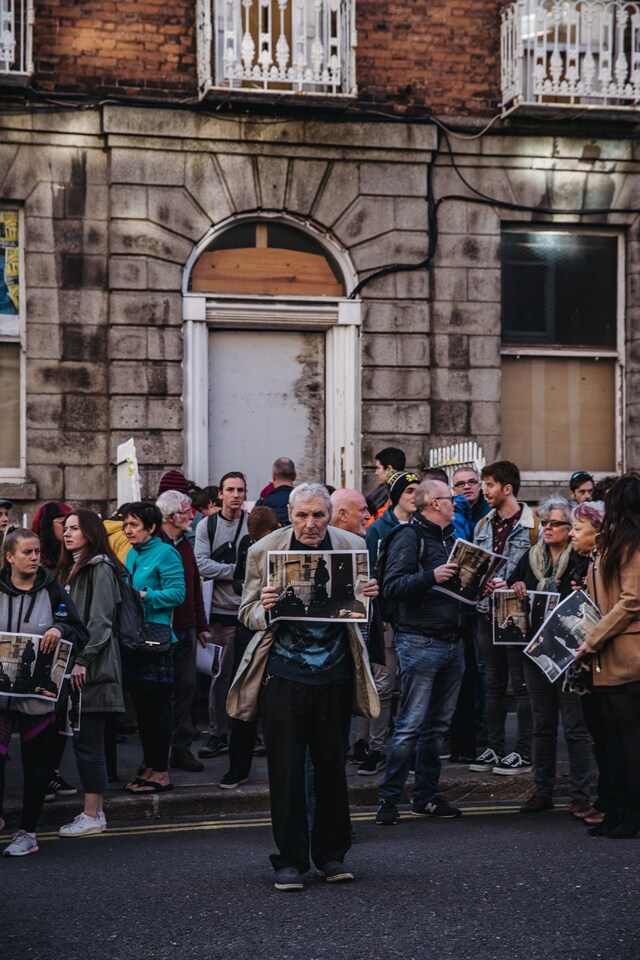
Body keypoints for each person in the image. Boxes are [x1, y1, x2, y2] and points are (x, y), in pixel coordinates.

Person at [232, 482, 379, 891]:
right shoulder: (264, 550)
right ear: (290, 516)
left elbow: (359, 610)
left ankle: (332, 855)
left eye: (318, 515)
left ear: (330, 515)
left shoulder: (353, 545)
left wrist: (370, 595)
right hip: (284, 677)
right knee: (286, 772)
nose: (310, 523)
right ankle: (291, 861)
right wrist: (264, 608)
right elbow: (245, 612)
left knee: (332, 769)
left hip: (334, 677)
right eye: (302, 515)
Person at [375, 478, 466, 826]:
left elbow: (455, 592)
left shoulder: (451, 539)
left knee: (437, 727)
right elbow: (392, 586)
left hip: (453, 643)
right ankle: (388, 799)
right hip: (419, 642)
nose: (455, 502)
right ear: (435, 503)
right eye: (450, 497)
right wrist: (431, 577)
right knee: (410, 725)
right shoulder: (409, 537)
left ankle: (425, 797)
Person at [0, 529, 87, 856]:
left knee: (36, 765)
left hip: (38, 696)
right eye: (27, 552)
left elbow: (79, 630)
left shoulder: (52, 590)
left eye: (37, 551)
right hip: (1, 696)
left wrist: (59, 627)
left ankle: (28, 833)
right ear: (10, 557)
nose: (35, 557)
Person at [509, 496, 593, 815]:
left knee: (574, 726)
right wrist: (515, 586)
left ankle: (580, 795)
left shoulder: (581, 559)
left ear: (570, 528)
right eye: (544, 522)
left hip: (569, 653)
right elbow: (513, 585)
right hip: (535, 651)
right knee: (542, 724)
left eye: (555, 523)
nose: (547, 528)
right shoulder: (531, 557)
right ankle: (542, 791)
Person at [574, 474, 640, 838]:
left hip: (627, 653)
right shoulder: (612, 542)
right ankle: (616, 811)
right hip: (607, 654)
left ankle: (633, 815)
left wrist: (593, 637)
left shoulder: (630, 542)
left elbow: (632, 599)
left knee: (630, 741)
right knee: (612, 740)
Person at [56, 509, 125, 837]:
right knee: (83, 739)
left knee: (88, 742)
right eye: (66, 528)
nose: (67, 534)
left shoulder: (99, 568)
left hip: (92, 669)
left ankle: (92, 814)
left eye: (75, 528)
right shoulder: (75, 567)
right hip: (76, 667)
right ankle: (95, 812)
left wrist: (82, 660)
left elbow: (100, 622)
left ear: (91, 532)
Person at [469, 460, 536, 775]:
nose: (485, 490)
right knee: (493, 684)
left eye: (490, 485)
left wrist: (515, 583)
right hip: (486, 614)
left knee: (521, 686)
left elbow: (539, 570)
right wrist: (478, 583)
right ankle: (494, 748)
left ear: (507, 488)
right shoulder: (483, 524)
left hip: (517, 616)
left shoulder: (533, 525)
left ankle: (524, 752)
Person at [121, 502, 186, 794]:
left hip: (156, 641)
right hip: (136, 639)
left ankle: (160, 773)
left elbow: (178, 593)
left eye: (134, 525)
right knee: (144, 711)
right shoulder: (132, 553)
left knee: (157, 710)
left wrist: (144, 596)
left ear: (151, 527)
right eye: (126, 524)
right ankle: (150, 766)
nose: (128, 530)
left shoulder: (166, 553)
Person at [218, 505, 280, 790]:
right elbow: (238, 582)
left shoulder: (283, 545)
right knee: (244, 699)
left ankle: (247, 768)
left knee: (268, 704)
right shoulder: (250, 546)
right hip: (252, 628)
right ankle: (238, 767)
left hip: (270, 630)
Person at [195, 471, 249, 759]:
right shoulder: (208, 525)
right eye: (230, 489)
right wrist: (235, 572)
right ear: (221, 494)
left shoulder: (252, 523)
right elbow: (201, 564)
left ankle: (249, 733)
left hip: (249, 613)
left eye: (240, 490)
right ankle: (218, 733)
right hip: (220, 613)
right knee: (220, 677)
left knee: (251, 676)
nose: (236, 495)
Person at [156, 490, 211, 773]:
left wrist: (202, 625)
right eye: (187, 511)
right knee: (161, 694)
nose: (192, 515)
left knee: (187, 689)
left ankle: (180, 749)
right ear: (170, 516)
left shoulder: (185, 545)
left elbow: (195, 588)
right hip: (162, 630)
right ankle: (156, 755)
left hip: (188, 628)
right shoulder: (155, 545)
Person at [568, 500, 607, 826]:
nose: (571, 534)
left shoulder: (608, 558)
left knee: (611, 735)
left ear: (597, 532)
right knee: (600, 733)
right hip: (593, 661)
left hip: (609, 658)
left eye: (577, 528)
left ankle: (614, 803)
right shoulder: (587, 560)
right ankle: (608, 800)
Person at [366, 447, 406, 525]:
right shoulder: (383, 491)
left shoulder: (393, 494)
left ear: (388, 469)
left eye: (378, 468)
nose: (376, 473)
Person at [256, 458, 297, 526]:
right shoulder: (303, 500)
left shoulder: (263, 501)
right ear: (295, 475)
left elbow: (254, 526)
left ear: (273, 475)